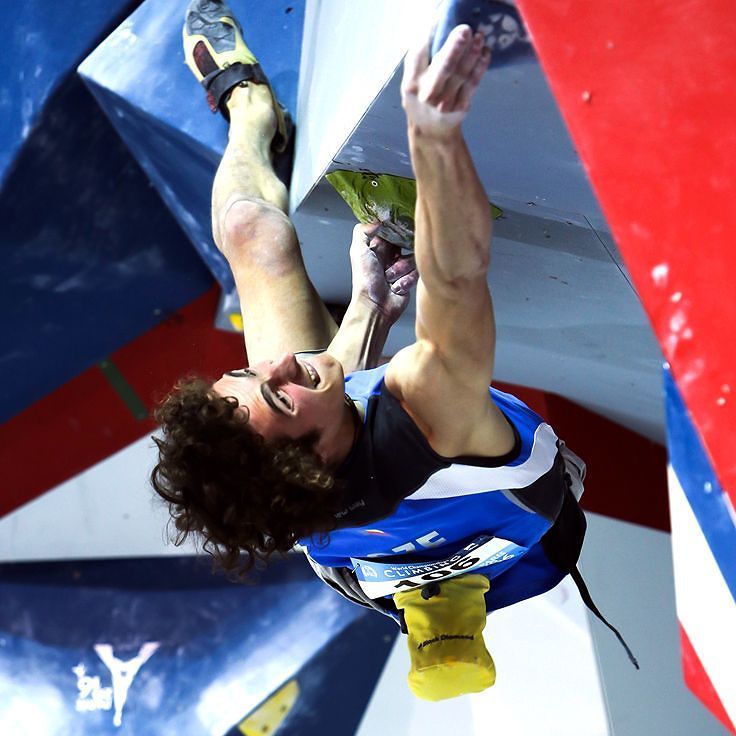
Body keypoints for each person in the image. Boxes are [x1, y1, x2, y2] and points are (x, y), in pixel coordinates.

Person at [153, 0, 633, 701]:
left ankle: (250, 107)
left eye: (247, 372)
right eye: (281, 393)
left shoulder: (274, 500)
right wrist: (432, 136)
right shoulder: (432, 414)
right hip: (475, 482)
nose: (277, 363)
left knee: (251, 232)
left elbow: (328, 391)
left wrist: (368, 309)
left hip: (355, 493)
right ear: (314, 463)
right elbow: (457, 274)